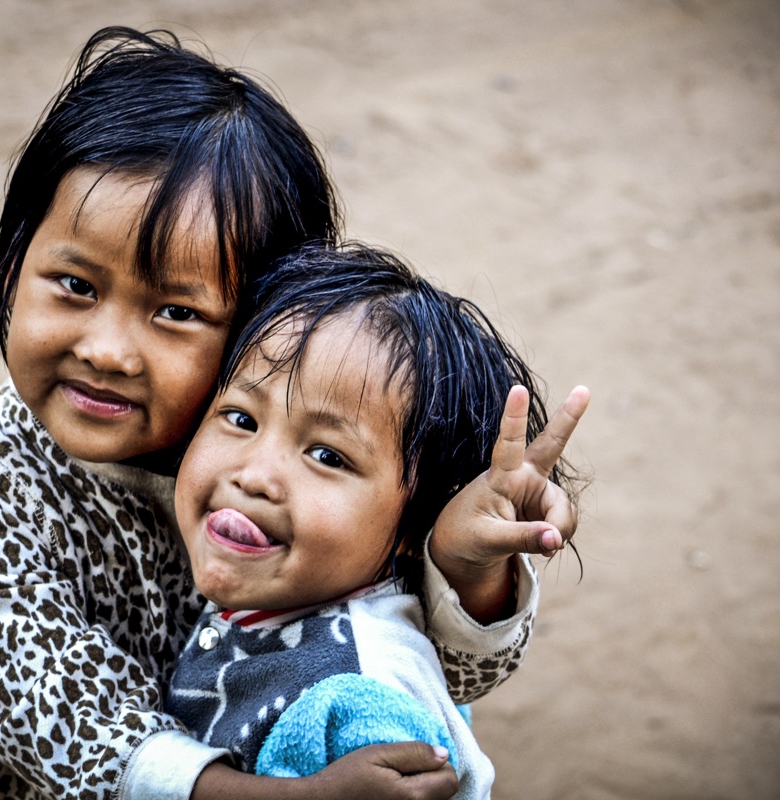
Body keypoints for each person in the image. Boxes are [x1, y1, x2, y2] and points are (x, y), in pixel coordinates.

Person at [0, 26, 583, 800]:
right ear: (17, 256)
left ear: (264, 321)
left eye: (176, 312)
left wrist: (467, 567)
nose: (107, 350)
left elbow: (446, 665)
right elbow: (62, 727)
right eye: (75, 285)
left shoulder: (284, 453)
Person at [165, 243, 589, 798]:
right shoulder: (293, 585)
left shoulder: (364, 706)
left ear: (416, 526)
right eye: (242, 418)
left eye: (327, 456)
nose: (254, 474)